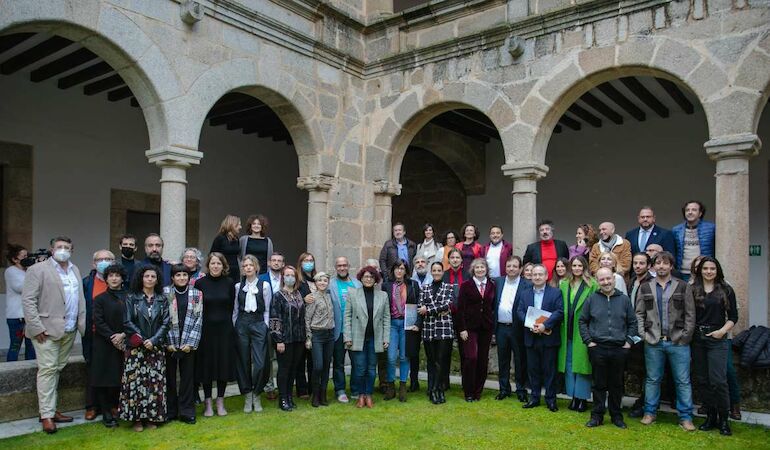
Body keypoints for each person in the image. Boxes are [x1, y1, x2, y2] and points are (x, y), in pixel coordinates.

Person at [22, 236, 86, 434]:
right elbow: (28, 301)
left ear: (72, 250)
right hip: (46, 331)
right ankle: (47, 415)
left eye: (67, 247)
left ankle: (51, 409)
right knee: (48, 370)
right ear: (52, 250)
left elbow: (77, 298)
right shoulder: (37, 270)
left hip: (69, 329)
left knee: (57, 369)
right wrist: (37, 327)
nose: (63, 250)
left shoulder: (75, 269)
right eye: (59, 247)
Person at [635, 251, 696, 431]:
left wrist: (685, 336)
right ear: (653, 266)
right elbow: (639, 313)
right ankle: (650, 413)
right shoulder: (645, 287)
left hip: (678, 341)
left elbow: (690, 315)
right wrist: (643, 334)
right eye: (658, 263)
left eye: (665, 263)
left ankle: (686, 417)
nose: (661, 266)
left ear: (671, 266)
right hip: (653, 341)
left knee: (682, 381)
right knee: (653, 379)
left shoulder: (683, 286)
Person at [580, 268, 638, 429]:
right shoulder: (591, 299)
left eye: (608, 279)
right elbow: (582, 321)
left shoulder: (624, 300)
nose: (606, 282)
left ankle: (616, 416)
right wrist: (588, 341)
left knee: (616, 385)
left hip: (619, 348)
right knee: (598, 384)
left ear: (613, 279)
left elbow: (633, 323)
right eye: (602, 279)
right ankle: (597, 416)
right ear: (597, 281)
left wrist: (628, 342)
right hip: (597, 348)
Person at [689, 257, 736, 436]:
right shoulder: (693, 289)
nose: (709, 271)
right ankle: (710, 416)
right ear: (700, 270)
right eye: (706, 268)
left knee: (718, 381)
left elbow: (733, 316)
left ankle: (724, 419)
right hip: (698, 339)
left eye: (713, 269)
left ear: (718, 271)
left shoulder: (725, 289)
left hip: (717, 338)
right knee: (702, 380)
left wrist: (722, 331)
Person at [119, 265, 170, 432]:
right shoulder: (132, 298)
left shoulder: (162, 299)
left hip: (155, 348)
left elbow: (165, 322)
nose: (149, 279)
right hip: (136, 349)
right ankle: (137, 419)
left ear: (157, 280)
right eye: (146, 276)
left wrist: (154, 340)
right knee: (136, 383)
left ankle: (152, 416)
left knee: (154, 384)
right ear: (141, 278)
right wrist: (142, 339)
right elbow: (127, 322)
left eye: (153, 277)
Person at [516, 264, 564, 411]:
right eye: (534, 274)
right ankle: (534, 398)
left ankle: (551, 399)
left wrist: (545, 325)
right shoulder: (524, 293)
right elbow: (520, 311)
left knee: (549, 370)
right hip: (531, 336)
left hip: (548, 337)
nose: (537, 277)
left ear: (546, 276)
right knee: (533, 369)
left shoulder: (555, 293)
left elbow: (559, 311)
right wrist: (529, 323)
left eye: (540, 274)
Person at [194, 252, 237, 417]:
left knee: (223, 365)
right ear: (208, 265)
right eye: (213, 263)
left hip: (225, 331)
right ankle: (208, 403)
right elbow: (196, 309)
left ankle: (220, 401)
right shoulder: (200, 284)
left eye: (219, 263)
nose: (215, 266)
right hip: (206, 331)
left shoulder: (229, 283)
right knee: (207, 367)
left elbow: (233, 307)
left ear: (223, 265)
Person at [345, 266, 390, 408]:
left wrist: (386, 338)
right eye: (365, 277)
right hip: (358, 337)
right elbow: (347, 316)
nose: (368, 279)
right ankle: (360, 395)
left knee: (371, 369)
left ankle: (369, 394)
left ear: (375, 279)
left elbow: (386, 318)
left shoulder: (383, 295)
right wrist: (347, 336)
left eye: (371, 277)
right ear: (361, 278)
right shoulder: (353, 294)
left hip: (375, 338)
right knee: (359, 369)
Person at [558, 256, 598, 413]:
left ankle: (582, 399)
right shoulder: (564, 284)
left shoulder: (592, 284)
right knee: (569, 363)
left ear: (585, 267)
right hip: (566, 329)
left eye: (580, 265)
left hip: (583, 330)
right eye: (574, 265)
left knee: (582, 364)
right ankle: (573, 396)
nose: (576, 268)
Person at [164, 264, 203, 423]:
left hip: (188, 343)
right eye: (178, 275)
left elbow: (199, 318)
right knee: (170, 378)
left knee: (187, 378)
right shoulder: (165, 293)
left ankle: (187, 411)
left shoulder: (197, 293)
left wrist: (191, 343)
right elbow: (162, 318)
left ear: (189, 277)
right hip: (170, 343)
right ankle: (171, 411)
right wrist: (167, 342)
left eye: (184, 275)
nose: (181, 278)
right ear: (172, 278)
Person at [90, 264, 127, 428]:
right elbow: (98, 321)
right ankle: (105, 412)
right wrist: (113, 336)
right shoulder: (100, 299)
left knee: (119, 377)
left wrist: (123, 335)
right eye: (110, 276)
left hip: (124, 342)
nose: (114, 278)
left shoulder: (130, 297)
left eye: (117, 275)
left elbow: (133, 318)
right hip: (104, 343)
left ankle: (116, 408)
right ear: (106, 279)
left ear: (122, 278)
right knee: (104, 377)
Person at [233, 255, 270, 413]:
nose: (247, 268)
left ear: (256, 267)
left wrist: (265, 326)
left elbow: (267, 308)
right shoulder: (237, 286)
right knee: (243, 361)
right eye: (245, 265)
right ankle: (247, 394)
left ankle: (257, 393)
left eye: (250, 265)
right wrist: (236, 324)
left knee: (260, 362)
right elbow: (235, 308)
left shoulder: (265, 285)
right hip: (242, 323)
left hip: (258, 323)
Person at [82, 249, 116, 420]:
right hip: (94, 334)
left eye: (108, 259)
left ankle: (112, 405)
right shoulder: (87, 283)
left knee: (114, 370)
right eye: (100, 259)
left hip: (116, 337)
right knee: (93, 370)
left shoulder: (120, 283)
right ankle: (92, 405)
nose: (104, 262)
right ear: (93, 263)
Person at [493, 256, 531, 402]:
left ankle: (520, 389)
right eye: (509, 266)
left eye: (515, 266)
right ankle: (504, 389)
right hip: (501, 327)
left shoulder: (526, 284)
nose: (511, 269)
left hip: (518, 328)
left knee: (520, 360)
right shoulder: (498, 282)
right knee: (503, 360)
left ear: (520, 269)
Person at [381, 259, 420, 402]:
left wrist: (417, 323)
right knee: (391, 358)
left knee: (404, 356)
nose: (399, 271)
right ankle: (390, 386)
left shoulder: (413, 285)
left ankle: (403, 386)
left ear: (406, 271)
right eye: (397, 268)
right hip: (391, 324)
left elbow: (418, 304)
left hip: (407, 325)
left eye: (402, 268)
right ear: (393, 271)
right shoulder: (386, 286)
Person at [457, 258, 495, 402]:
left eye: (482, 267)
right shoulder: (466, 285)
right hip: (469, 328)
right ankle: (468, 391)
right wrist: (462, 328)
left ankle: (478, 391)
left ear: (486, 269)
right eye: (477, 267)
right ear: (473, 270)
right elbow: (460, 309)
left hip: (485, 328)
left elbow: (492, 307)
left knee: (482, 360)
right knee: (471, 358)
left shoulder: (491, 285)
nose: (480, 269)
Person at [270, 265, 306, 411]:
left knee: (293, 368)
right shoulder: (278, 296)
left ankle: (290, 396)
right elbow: (274, 319)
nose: (290, 277)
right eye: (287, 275)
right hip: (284, 340)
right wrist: (278, 340)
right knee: (284, 369)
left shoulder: (298, 294)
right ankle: (283, 398)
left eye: (293, 275)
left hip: (298, 338)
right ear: (283, 277)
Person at [418, 262, 455, 404]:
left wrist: (428, 310)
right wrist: (438, 309)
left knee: (440, 361)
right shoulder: (425, 288)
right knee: (431, 361)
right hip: (428, 329)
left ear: (442, 272)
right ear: (431, 272)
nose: (437, 272)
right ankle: (434, 389)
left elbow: (448, 305)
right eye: (434, 270)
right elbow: (421, 306)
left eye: (439, 270)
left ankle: (436, 389)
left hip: (444, 329)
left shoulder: (449, 287)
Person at [328, 257, 361, 403]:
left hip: (354, 331)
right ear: (336, 267)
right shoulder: (330, 285)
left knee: (357, 362)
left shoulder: (357, 284)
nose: (342, 268)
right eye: (339, 265)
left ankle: (355, 389)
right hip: (338, 331)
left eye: (344, 265)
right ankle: (340, 390)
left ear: (349, 266)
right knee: (338, 363)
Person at [627, 252, 654, 418]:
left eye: (641, 263)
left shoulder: (651, 283)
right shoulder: (631, 281)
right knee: (637, 369)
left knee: (647, 371)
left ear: (648, 265)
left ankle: (646, 403)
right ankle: (640, 401)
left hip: (646, 332)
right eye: (635, 263)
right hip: (632, 330)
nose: (637, 266)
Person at [258, 252, 285, 400]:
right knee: (268, 357)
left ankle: (283, 385)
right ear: (269, 263)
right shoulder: (261, 279)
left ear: (282, 264)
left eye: (279, 261)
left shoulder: (287, 278)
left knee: (283, 357)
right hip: (267, 322)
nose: (276, 263)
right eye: (273, 260)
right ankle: (269, 387)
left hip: (284, 323)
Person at [304, 272, 334, 407]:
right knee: (318, 366)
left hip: (330, 335)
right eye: (320, 280)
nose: (322, 283)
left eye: (325, 280)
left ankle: (323, 394)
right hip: (317, 335)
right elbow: (307, 318)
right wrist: (309, 337)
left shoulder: (329, 296)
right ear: (315, 283)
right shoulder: (312, 298)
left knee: (327, 366)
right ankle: (315, 395)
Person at [4, 244, 35, 361]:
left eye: (28, 255)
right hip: (17, 316)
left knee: (31, 346)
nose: (27, 258)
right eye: (24, 256)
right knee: (15, 346)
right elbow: (21, 287)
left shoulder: (28, 271)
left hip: (29, 315)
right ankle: (10, 371)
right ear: (14, 259)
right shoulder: (11, 271)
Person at [672, 200, 715, 280]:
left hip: (703, 272)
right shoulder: (676, 230)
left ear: (700, 213)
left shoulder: (711, 228)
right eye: (687, 210)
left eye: (694, 210)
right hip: (682, 273)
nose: (690, 212)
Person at [296, 252, 317, 399]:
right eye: (306, 260)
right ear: (301, 263)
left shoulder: (317, 280)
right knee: (300, 359)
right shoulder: (297, 281)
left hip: (316, 325)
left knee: (313, 360)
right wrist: (303, 299)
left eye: (311, 260)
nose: (309, 262)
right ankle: (302, 389)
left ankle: (312, 388)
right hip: (301, 324)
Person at [211, 214, 242, 282]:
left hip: (235, 271)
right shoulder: (220, 238)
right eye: (238, 225)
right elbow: (212, 255)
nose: (240, 227)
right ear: (232, 225)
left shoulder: (236, 239)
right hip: (223, 271)